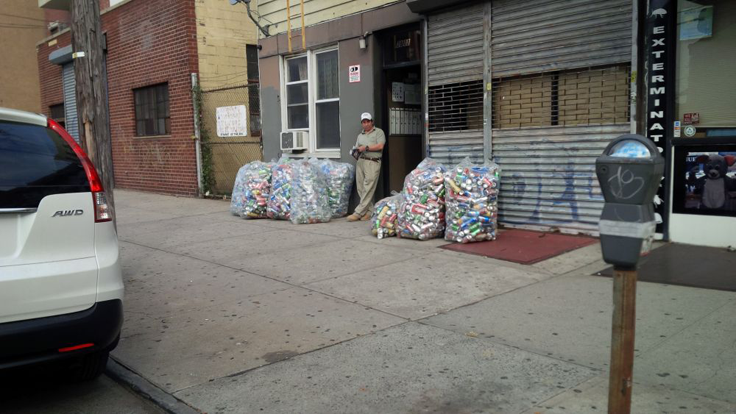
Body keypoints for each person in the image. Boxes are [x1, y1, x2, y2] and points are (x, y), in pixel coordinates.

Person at [347, 112, 385, 222]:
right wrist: (355, 152)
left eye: (368, 121)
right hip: (361, 161)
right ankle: (369, 212)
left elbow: (380, 146)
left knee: (368, 187)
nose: (366, 124)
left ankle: (358, 212)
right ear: (362, 123)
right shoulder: (360, 136)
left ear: (372, 122)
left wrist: (366, 148)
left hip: (372, 162)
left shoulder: (378, 132)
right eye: (364, 122)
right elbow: (357, 148)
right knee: (361, 187)